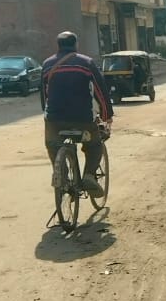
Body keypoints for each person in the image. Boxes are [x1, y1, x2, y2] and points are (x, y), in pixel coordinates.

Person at [41, 31, 113, 193]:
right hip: (82, 119)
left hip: (54, 120)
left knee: (52, 145)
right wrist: (107, 115)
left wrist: (48, 113)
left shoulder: (47, 64)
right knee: (94, 145)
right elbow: (100, 92)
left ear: (58, 45)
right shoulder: (86, 63)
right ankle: (89, 175)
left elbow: (44, 95)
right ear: (76, 45)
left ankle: (61, 175)